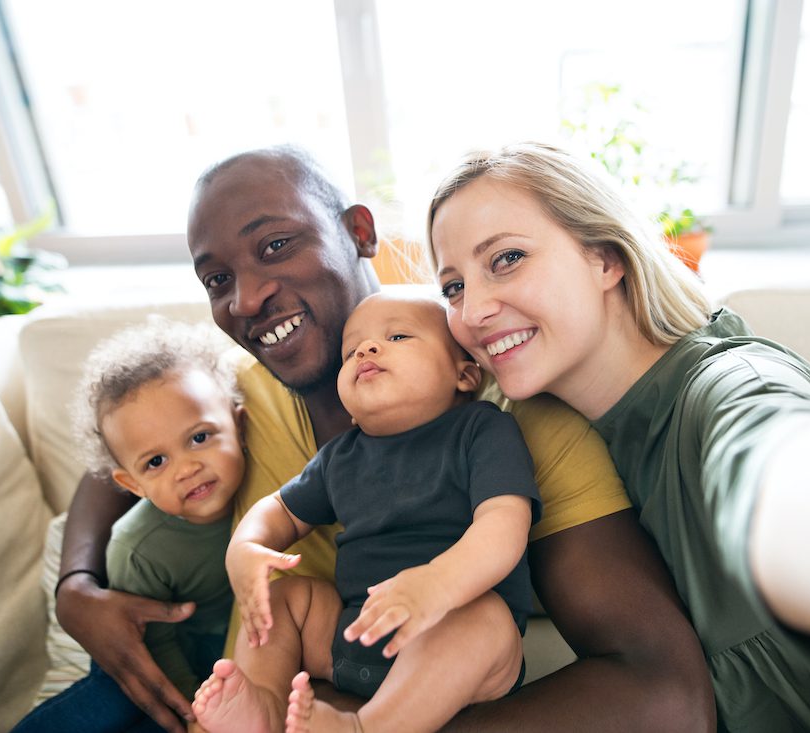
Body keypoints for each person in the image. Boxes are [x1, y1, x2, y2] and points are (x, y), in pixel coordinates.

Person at [54, 145, 715, 733]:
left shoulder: (513, 419)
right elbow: (119, 455)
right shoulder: (238, 397)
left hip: (419, 677)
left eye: (277, 244)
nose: (246, 298)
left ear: (359, 232)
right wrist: (77, 585)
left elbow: (667, 696)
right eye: (216, 280)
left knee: (474, 616)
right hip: (292, 675)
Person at [427, 140, 810, 732]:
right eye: (453, 287)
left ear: (604, 259)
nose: (472, 313)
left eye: (507, 258)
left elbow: (784, 464)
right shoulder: (541, 444)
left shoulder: (726, 386)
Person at [193, 292, 541, 733]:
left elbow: (503, 527)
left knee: (484, 617)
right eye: (350, 350)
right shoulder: (341, 456)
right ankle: (264, 704)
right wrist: (245, 547)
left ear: (465, 374)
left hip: (460, 647)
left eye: (397, 336)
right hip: (355, 635)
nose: (366, 350)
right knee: (286, 599)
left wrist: (437, 585)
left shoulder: (482, 429)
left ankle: (364, 727)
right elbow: (279, 508)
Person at [13, 319, 246, 732]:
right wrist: (194, 713)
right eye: (156, 462)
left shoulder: (269, 490)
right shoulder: (136, 546)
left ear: (239, 425)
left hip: (222, 650)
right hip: (151, 657)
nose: (187, 468)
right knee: (111, 705)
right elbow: (151, 646)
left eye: (199, 437)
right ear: (132, 484)